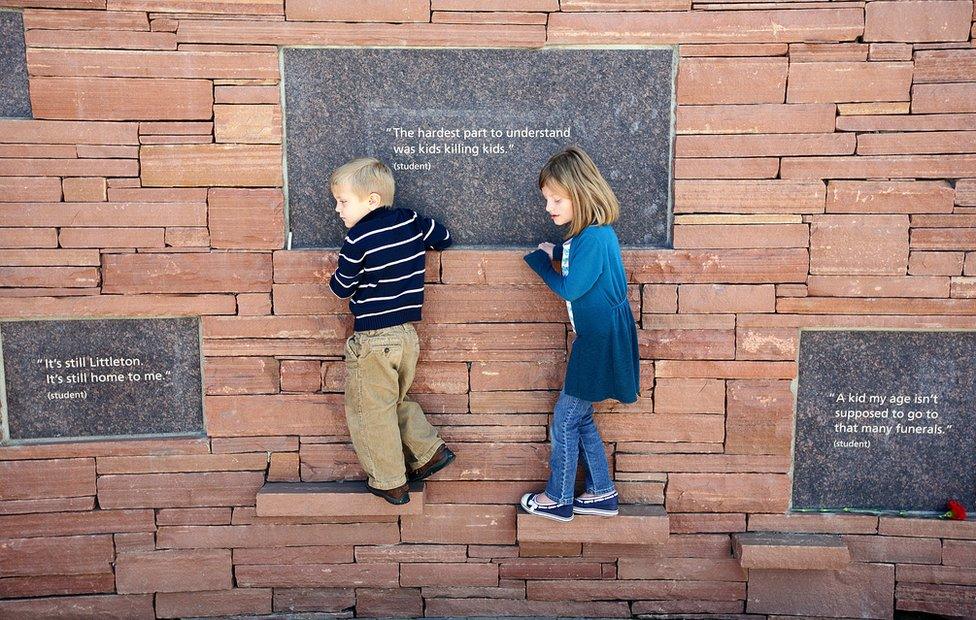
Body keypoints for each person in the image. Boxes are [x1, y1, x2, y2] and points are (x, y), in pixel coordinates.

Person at [519, 146, 640, 522]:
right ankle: (601, 492)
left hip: (598, 343)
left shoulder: (594, 238)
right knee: (581, 416)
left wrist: (542, 263)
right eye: (547, 199)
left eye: (557, 199)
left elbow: (572, 288)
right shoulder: (594, 235)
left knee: (565, 419)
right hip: (602, 337)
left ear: (582, 194)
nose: (549, 206)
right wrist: (556, 249)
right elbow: (580, 259)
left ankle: (558, 498)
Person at [328, 157, 455, 505]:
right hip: (405, 337)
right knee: (391, 401)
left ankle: (389, 481)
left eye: (343, 201)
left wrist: (335, 282)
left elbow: (341, 287)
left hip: (372, 338)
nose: (338, 210)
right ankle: (428, 451)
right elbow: (442, 237)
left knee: (369, 412)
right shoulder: (413, 221)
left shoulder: (357, 238)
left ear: (371, 200)